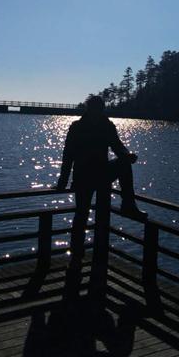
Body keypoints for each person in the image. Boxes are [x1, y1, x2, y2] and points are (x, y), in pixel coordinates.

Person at [56, 95, 147, 262]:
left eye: (99, 109)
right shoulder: (77, 127)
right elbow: (68, 155)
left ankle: (128, 204)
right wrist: (63, 181)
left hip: (101, 174)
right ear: (89, 109)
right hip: (83, 177)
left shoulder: (107, 126)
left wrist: (127, 155)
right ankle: (77, 254)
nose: (97, 112)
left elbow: (118, 146)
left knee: (124, 164)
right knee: (81, 214)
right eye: (95, 109)